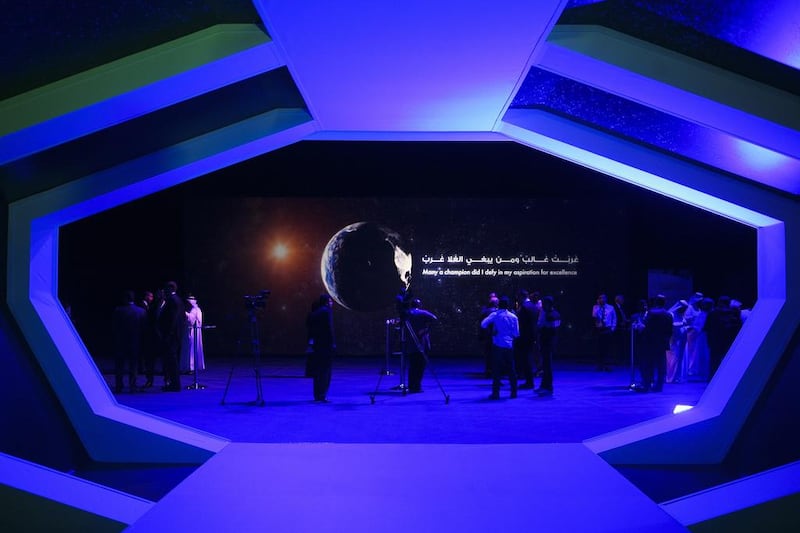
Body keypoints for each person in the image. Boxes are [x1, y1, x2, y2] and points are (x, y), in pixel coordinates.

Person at [481, 296, 520, 400]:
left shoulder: (495, 315)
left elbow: (483, 324)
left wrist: (491, 332)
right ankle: (514, 392)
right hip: (509, 345)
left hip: (497, 345)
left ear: (499, 305)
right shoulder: (513, 317)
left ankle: (496, 393)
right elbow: (516, 334)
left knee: (496, 370)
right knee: (511, 369)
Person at [634, 295, 673, 393]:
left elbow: (646, 327)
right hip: (662, 343)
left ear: (655, 302)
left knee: (648, 365)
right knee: (661, 365)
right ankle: (659, 386)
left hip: (650, 343)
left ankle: (646, 386)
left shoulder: (651, 314)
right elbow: (670, 331)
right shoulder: (668, 315)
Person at [111, 289, 147, 393]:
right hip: (135, 342)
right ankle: (133, 386)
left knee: (119, 366)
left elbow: (114, 327)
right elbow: (144, 328)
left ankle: (119, 386)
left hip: (121, 342)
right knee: (133, 365)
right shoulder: (141, 311)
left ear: (125, 299)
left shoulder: (118, 311)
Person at [704, 295, 742, 380]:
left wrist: (709, 341)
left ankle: (713, 378)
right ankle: (729, 378)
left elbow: (707, 328)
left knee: (714, 361)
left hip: (715, 341)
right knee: (729, 360)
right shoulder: (734, 313)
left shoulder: (713, 313)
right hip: (729, 341)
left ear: (719, 302)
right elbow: (739, 327)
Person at [306, 293, 336, 402]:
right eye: (331, 301)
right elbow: (329, 329)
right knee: (326, 372)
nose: (332, 303)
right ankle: (322, 395)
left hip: (317, 346)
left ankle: (317, 395)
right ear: (327, 302)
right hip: (326, 346)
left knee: (318, 372)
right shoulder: (327, 312)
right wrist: (333, 343)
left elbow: (310, 330)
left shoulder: (314, 313)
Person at [405, 298, 438, 393]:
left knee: (412, 366)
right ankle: (417, 386)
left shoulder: (407, 314)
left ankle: (411, 386)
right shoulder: (423, 313)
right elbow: (434, 318)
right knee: (420, 366)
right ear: (419, 305)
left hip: (411, 345)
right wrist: (426, 329)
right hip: (422, 344)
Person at [157, 281, 185, 392]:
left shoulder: (173, 301)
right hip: (173, 335)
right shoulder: (177, 300)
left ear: (171, 289)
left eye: (166, 289)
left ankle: (175, 384)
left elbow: (172, 319)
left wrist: (168, 334)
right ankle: (174, 383)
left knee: (171, 360)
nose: (164, 291)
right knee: (171, 360)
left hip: (171, 336)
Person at [535, 295, 560, 396]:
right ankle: (544, 386)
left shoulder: (550, 315)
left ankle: (548, 387)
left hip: (548, 343)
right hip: (548, 342)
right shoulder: (554, 314)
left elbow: (550, 329)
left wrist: (542, 327)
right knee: (545, 366)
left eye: (544, 304)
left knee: (547, 366)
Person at [514, 289, 538, 389]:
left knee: (526, 359)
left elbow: (520, 323)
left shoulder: (524, 307)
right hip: (532, 336)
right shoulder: (533, 306)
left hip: (524, 337)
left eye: (518, 298)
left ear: (521, 296)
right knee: (529, 358)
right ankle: (529, 380)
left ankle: (529, 382)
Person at [180, 295, 205, 374]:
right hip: (191, 331)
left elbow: (191, 320)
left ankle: (191, 367)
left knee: (191, 349)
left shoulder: (195, 309)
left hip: (192, 332)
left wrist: (185, 313)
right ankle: (190, 366)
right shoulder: (196, 309)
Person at [592, 293, 616, 371]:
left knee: (607, 348)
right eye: (600, 298)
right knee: (599, 348)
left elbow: (614, 318)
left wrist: (612, 328)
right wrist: (598, 306)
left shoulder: (611, 307)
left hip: (607, 329)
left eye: (603, 298)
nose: (601, 299)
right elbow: (595, 316)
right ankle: (599, 365)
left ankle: (607, 365)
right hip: (599, 329)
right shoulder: (595, 307)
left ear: (606, 299)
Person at [478, 292, 499, 377]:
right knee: (492, 354)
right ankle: (492, 370)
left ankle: (490, 370)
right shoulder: (494, 312)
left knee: (489, 354)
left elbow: (482, 324)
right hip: (492, 336)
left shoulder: (485, 311)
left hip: (489, 336)